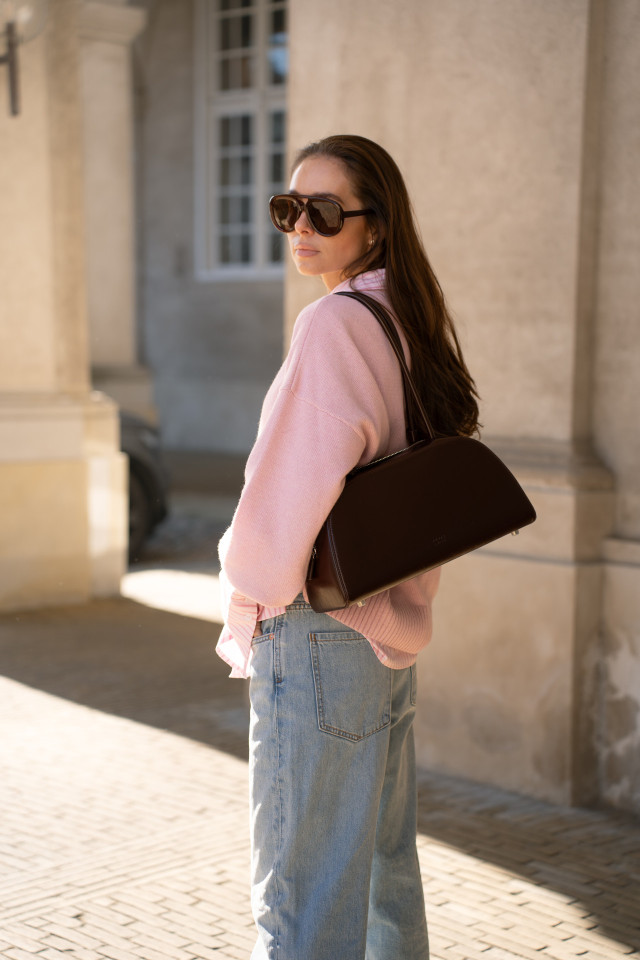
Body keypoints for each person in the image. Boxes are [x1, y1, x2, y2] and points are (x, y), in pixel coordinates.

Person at [217, 134, 479, 960]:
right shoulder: (409, 321)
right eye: (288, 208)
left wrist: (246, 587)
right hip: (383, 639)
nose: (301, 227)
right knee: (379, 881)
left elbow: (285, 498)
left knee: (302, 904)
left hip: (317, 631)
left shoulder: (334, 323)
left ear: (376, 224)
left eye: (324, 212)